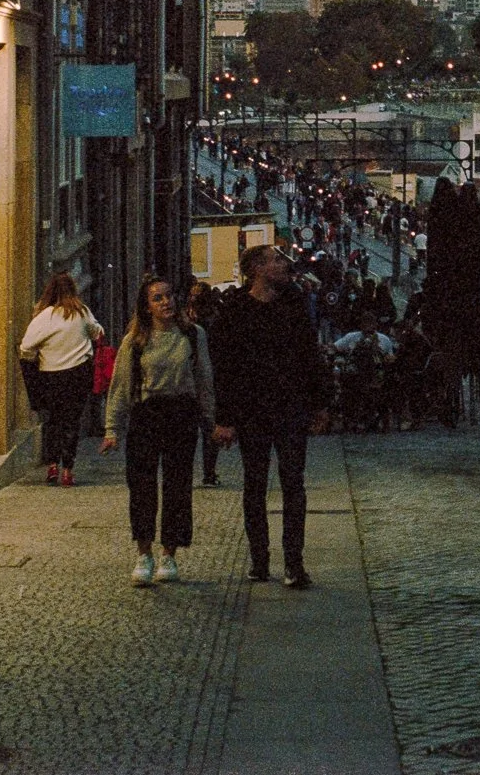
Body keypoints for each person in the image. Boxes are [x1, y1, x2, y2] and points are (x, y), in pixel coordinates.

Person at [212, 244, 334, 589]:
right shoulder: (235, 310)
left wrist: (320, 403)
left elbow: (310, 356)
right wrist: (225, 418)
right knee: (254, 485)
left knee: (294, 484)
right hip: (252, 411)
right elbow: (225, 369)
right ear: (258, 269)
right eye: (277, 260)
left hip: (290, 408)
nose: (284, 265)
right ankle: (259, 559)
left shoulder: (293, 304)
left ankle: (294, 563)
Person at [102, 274, 216, 588]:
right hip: (146, 415)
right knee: (142, 487)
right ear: (147, 306)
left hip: (181, 414)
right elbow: (121, 386)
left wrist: (211, 422)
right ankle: (143, 554)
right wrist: (112, 428)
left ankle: (169, 554)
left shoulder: (193, 335)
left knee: (178, 486)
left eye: (169, 296)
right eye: (158, 298)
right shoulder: (135, 341)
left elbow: (204, 380)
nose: (166, 302)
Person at [20, 272, 105, 487]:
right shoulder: (81, 312)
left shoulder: (44, 316)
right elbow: (98, 333)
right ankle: (68, 470)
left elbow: (26, 346)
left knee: (53, 421)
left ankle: (52, 466)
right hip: (78, 375)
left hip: (51, 375)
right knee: (71, 422)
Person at [187, 280, 230, 486]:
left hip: (192, 377)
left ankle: (199, 473)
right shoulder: (216, 319)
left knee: (194, 429)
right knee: (208, 428)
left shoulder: (185, 323)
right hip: (209, 377)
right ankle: (209, 473)